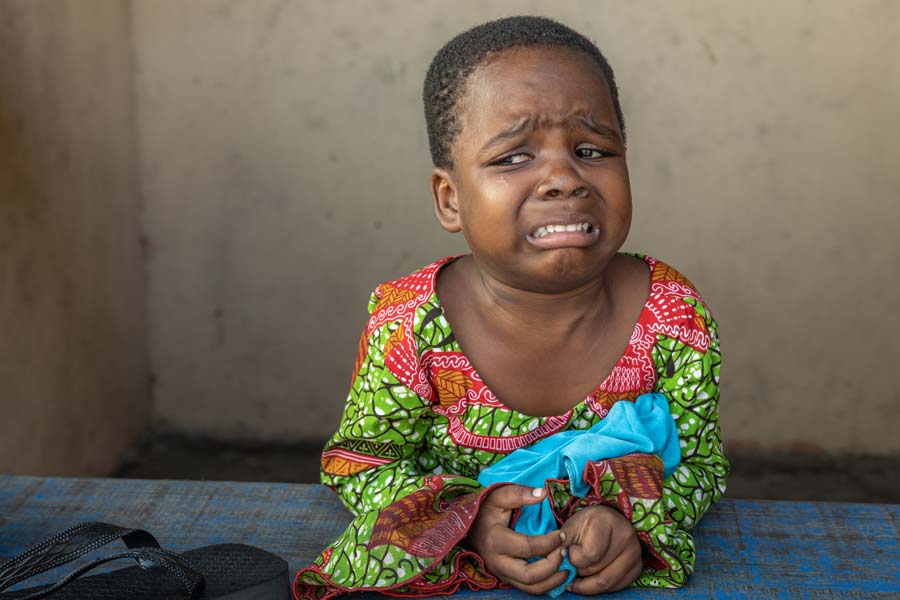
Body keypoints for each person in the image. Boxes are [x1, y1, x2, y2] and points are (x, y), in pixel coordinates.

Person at [295, 15, 727, 599]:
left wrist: (635, 524)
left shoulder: (674, 314)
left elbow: (699, 469)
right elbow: (361, 465)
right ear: (451, 200)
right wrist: (468, 522)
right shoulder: (409, 324)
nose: (563, 178)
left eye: (591, 149)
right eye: (514, 158)